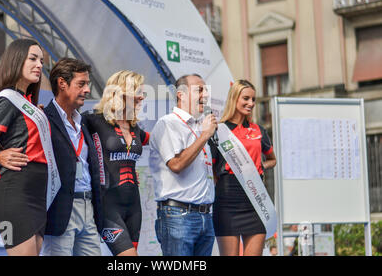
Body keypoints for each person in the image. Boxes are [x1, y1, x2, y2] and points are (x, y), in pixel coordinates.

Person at [0, 57, 103, 256]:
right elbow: (8, 144)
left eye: (87, 84)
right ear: (62, 83)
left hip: (88, 208)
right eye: (81, 84)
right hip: (60, 208)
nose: (87, 90)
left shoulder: (85, 122)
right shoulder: (42, 118)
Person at [0, 39, 48, 256]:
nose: (39, 65)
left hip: (37, 196)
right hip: (15, 194)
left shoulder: (29, 103)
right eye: (32, 58)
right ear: (16, 60)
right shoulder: (7, 99)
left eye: (41, 60)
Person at [149, 74, 217, 256]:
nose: (205, 95)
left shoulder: (200, 126)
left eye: (206, 90)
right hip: (178, 215)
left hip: (205, 215)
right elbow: (177, 165)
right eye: (199, 90)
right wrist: (204, 136)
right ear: (181, 95)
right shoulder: (168, 123)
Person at [83, 70, 149, 256]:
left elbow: (161, 139)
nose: (141, 98)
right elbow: (61, 128)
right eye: (138, 92)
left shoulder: (135, 127)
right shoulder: (93, 120)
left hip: (134, 206)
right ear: (121, 92)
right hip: (107, 206)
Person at [209, 79, 276, 256]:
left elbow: (272, 159)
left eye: (253, 99)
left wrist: (261, 165)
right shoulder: (219, 131)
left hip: (256, 201)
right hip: (227, 201)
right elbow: (212, 169)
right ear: (234, 98)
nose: (251, 103)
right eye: (246, 98)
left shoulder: (259, 130)